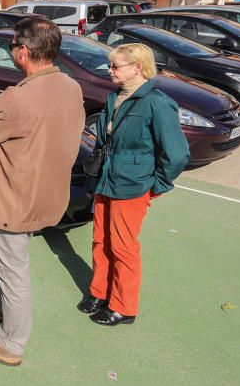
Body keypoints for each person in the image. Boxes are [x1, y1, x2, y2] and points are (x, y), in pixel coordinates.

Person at [0, 17, 85, 366]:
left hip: (13, 197)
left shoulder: (17, 99)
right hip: (46, 192)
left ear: (24, 53)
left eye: (13, 45)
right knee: (12, 264)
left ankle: (10, 343)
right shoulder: (69, 86)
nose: (11, 50)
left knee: (13, 272)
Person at [78, 43, 189, 326]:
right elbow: (105, 142)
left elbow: (177, 153)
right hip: (106, 179)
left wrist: (158, 184)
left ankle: (123, 306)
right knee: (101, 240)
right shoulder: (114, 97)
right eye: (111, 65)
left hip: (133, 185)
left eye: (116, 66)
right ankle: (99, 292)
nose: (110, 70)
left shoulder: (157, 102)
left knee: (123, 247)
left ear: (137, 68)